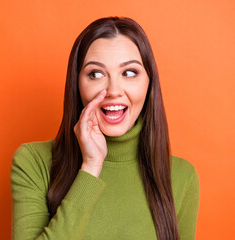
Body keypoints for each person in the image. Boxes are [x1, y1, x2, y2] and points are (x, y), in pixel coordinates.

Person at [10, 17, 200, 240]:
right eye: (96, 74)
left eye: (129, 73)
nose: (113, 90)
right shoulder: (34, 162)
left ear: (150, 84)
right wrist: (90, 167)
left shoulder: (181, 177)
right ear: (77, 84)